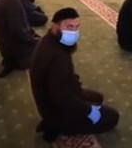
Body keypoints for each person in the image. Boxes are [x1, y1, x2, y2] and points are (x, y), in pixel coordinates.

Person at [30, 8, 119, 142]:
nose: (74, 32)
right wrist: (89, 110)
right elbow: (63, 99)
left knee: (98, 98)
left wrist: (78, 91)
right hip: (58, 110)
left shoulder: (50, 40)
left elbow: (65, 80)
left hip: (56, 96)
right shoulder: (56, 58)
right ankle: (56, 127)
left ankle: (53, 122)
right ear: (56, 25)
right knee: (112, 117)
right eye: (69, 27)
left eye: (77, 27)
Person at [0, 0, 40, 77]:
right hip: (15, 48)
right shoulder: (13, 3)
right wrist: (35, 39)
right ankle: (17, 62)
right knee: (46, 49)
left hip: (7, 44)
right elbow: (20, 32)